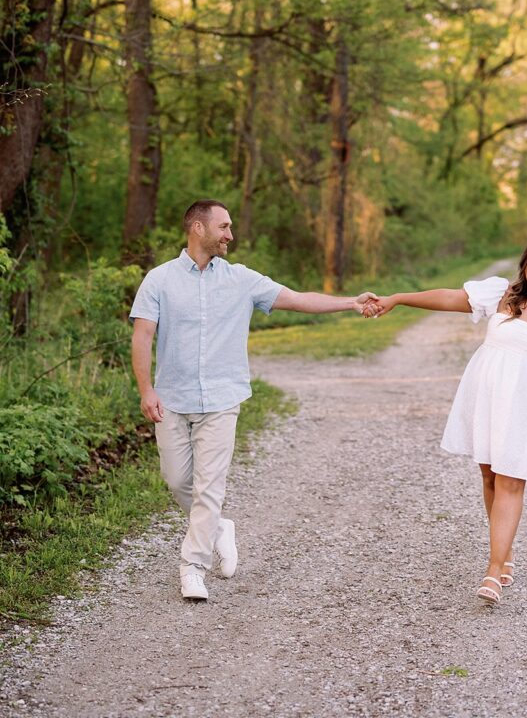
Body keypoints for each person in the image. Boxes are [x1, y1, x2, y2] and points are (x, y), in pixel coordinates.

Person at [130, 199, 378, 602]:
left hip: (223, 398)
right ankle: (218, 528)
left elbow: (299, 299)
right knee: (178, 481)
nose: (231, 234)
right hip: (172, 398)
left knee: (210, 486)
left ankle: (192, 568)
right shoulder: (159, 280)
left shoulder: (241, 279)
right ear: (197, 228)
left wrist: (350, 302)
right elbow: (142, 336)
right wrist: (146, 390)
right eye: (223, 226)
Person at [363, 235, 527, 605]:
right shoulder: (503, 296)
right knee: (489, 474)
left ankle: (493, 570)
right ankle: (505, 553)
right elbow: (449, 297)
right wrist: (398, 298)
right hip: (486, 394)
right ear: (524, 266)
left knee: (512, 479)